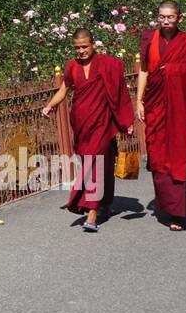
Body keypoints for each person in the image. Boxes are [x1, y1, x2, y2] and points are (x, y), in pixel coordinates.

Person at [135, 0, 186, 231]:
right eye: (162, 17)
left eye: (170, 17)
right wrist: (139, 100)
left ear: (180, 18)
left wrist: (174, 70)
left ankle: (178, 213)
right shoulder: (148, 38)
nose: (166, 21)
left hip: (183, 108)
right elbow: (144, 70)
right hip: (156, 105)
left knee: (180, 153)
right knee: (158, 153)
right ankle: (167, 204)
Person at [43, 28, 134, 232]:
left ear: (93, 44)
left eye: (85, 46)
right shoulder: (72, 67)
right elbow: (64, 89)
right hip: (81, 123)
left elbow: (120, 92)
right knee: (95, 162)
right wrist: (50, 105)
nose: (81, 51)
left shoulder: (108, 64)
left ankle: (92, 212)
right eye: (77, 48)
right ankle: (104, 203)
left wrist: (125, 120)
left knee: (95, 163)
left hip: (102, 122)